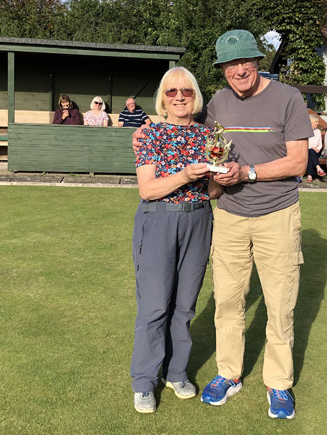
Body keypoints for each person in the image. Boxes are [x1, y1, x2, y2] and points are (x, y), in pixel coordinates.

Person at [193, 29, 311, 420]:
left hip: (277, 214)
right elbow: (206, 149)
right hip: (228, 215)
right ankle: (229, 373)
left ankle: (278, 383)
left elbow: (298, 162)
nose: (238, 70)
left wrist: (248, 173)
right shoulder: (217, 104)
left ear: (258, 62)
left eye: (245, 61)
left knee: (279, 305)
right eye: (230, 64)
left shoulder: (288, 98)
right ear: (222, 68)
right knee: (227, 300)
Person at [130, 67, 222, 414]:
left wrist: (221, 179)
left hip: (198, 217)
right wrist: (185, 174)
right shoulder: (150, 134)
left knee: (184, 305)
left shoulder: (209, 136)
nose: (180, 96)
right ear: (163, 98)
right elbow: (148, 188)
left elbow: (211, 190)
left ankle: (177, 371)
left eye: (186, 90)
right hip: (159, 221)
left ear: (196, 95)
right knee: (155, 306)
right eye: (171, 91)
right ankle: (144, 380)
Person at [305, 114, 325, 182]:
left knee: (311, 153)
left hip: (316, 151)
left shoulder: (318, 131)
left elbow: (320, 144)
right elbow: (305, 144)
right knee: (310, 151)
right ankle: (318, 168)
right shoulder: (306, 131)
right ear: (311, 122)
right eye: (316, 122)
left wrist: (318, 149)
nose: (317, 123)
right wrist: (312, 147)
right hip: (306, 150)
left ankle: (310, 176)